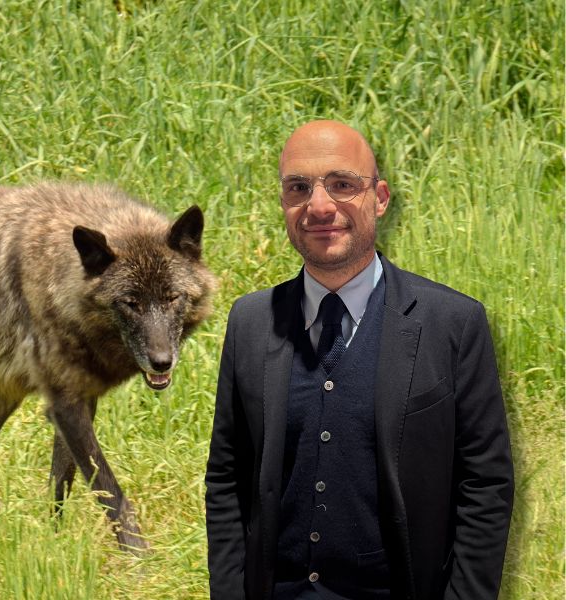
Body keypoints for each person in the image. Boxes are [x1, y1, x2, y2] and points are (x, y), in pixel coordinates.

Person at [204, 120, 514, 599]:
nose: (320, 205)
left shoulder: (453, 323)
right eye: (298, 187)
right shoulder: (249, 322)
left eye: (343, 184)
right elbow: (226, 479)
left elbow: (486, 486)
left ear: (381, 198)